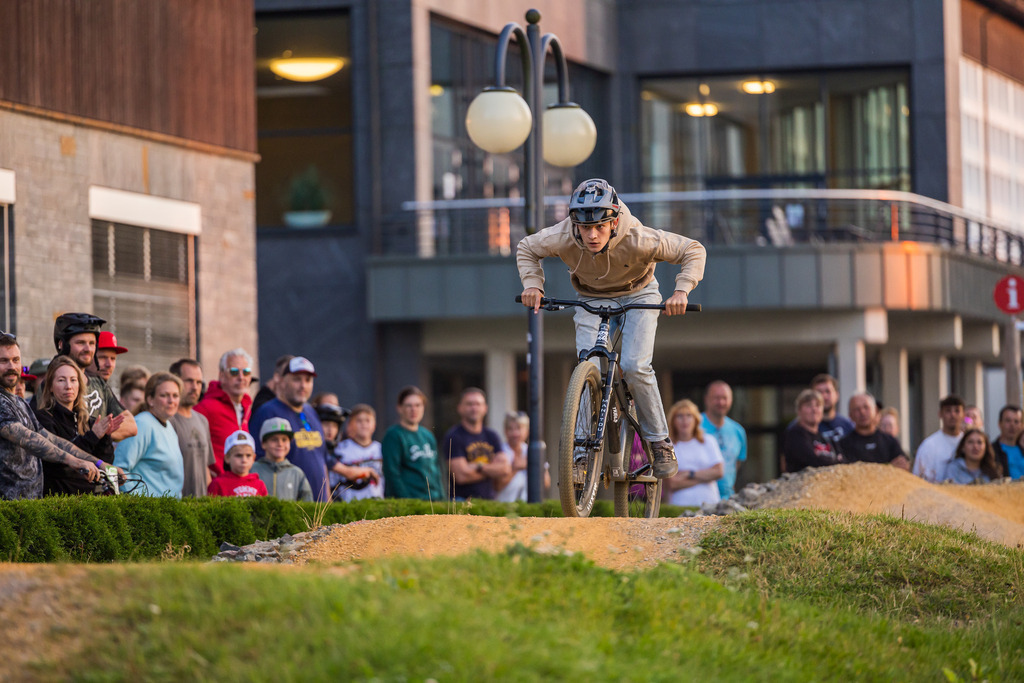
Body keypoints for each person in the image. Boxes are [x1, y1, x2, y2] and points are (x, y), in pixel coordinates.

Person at [517, 178, 706, 479]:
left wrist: (682, 290)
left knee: (634, 365)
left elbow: (692, 250)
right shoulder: (562, 235)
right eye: (584, 227)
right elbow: (527, 247)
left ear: (614, 221)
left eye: (600, 227)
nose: (592, 235)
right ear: (574, 223)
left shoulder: (639, 237)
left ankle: (659, 441)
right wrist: (532, 285)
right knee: (587, 364)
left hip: (639, 294)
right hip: (591, 297)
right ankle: (579, 455)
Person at [249, 356, 376, 502]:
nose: (303, 385)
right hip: (289, 507)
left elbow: (321, 459)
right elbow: (257, 462)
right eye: (297, 379)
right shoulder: (267, 412)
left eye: (308, 380)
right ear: (283, 382)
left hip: (317, 508)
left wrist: (327, 501)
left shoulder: (311, 412)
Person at [0, 333, 105, 500]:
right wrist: (74, 462)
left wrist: (100, 464)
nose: (11, 366)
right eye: (3, 361)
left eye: (15, 360)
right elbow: (28, 438)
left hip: (30, 507)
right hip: (7, 508)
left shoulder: (20, 403)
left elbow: (51, 439)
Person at [33, 355, 124, 495]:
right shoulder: (43, 418)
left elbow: (105, 461)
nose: (68, 386)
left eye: (73, 380)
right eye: (61, 380)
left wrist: (105, 437)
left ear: (79, 385)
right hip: (58, 500)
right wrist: (93, 436)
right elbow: (58, 463)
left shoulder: (88, 419)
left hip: (88, 499)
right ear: (50, 386)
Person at [50, 313, 136, 441]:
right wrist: (95, 434)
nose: (87, 349)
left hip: (100, 461)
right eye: (80, 343)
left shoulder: (99, 384)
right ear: (62, 344)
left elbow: (131, 426)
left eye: (92, 343)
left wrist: (99, 433)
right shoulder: (52, 383)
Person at [113, 372, 186, 497]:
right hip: (148, 510)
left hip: (169, 509)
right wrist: (142, 502)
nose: (171, 401)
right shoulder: (142, 424)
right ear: (150, 399)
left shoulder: (168, 425)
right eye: (164, 395)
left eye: (175, 395)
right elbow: (119, 469)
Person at [194, 348, 255, 477]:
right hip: (216, 488)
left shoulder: (246, 407)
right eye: (234, 372)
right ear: (222, 376)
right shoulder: (205, 407)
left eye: (246, 372)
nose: (241, 377)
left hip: (239, 486)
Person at [442, 387, 510, 500]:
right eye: (469, 404)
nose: (474, 408)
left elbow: (504, 469)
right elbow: (461, 476)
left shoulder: (491, 435)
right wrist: (492, 470)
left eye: (478, 404)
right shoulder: (453, 436)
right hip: (461, 502)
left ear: (485, 408)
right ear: (460, 408)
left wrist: (478, 466)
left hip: (489, 502)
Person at [381, 385, 445, 501]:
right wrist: (408, 503)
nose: (413, 409)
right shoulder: (393, 435)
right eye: (408, 405)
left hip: (433, 501)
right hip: (410, 504)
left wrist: (442, 499)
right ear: (399, 408)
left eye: (418, 405)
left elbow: (437, 471)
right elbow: (392, 474)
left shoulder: (428, 435)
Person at [665, 399, 724, 507]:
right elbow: (672, 483)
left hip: (710, 505)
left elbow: (719, 472)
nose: (684, 420)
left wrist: (689, 474)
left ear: (696, 419)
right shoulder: (668, 446)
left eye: (689, 415)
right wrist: (706, 476)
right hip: (679, 507)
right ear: (673, 420)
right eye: (680, 416)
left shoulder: (708, 441)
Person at [169, 359, 215, 498]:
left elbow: (205, 468)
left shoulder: (202, 421)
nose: (195, 387)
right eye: (189, 381)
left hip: (200, 507)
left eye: (199, 382)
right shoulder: (168, 421)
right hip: (177, 505)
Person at [700, 380, 747, 499]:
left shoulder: (738, 431)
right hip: (699, 499)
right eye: (716, 398)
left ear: (731, 400)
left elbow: (736, 464)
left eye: (725, 398)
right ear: (706, 399)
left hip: (727, 500)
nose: (721, 402)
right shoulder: (694, 426)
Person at [839, 393, 910, 471]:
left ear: (876, 410)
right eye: (857, 409)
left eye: (866, 407)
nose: (862, 412)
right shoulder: (843, 445)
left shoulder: (890, 441)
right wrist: (888, 468)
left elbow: (903, 466)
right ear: (850, 415)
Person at [781, 389, 844, 472]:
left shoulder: (825, 438)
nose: (814, 410)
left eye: (818, 405)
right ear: (799, 411)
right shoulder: (795, 434)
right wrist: (835, 461)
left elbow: (844, 461)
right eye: (808, 405)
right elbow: (812, 461)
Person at [331, 404, 384, 501]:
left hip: (377, 502)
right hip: (348, 503)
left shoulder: (381, 449)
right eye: (359, 420)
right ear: (350, 425)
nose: (364, 424)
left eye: (367, 420)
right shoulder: (341, 449)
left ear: (374, 425)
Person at [252, 417, 313, 501]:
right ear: (263, 444)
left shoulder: (297, 473)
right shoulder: (252, 470)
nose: (280, 444)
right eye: (274, 439)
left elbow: (307, 504)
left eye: (284, 440)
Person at [913, 395, 966, 483]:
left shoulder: (969, 443)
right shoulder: (929, 446)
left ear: (963, 414)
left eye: (957, 411)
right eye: (948, 411)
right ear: (940, 414)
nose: (952, 415)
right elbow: (918, 478)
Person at [207, 431, 268, 498]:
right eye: (238, 455)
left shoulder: (259, 485)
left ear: (253, 458)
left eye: (248, 455)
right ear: (227, 458)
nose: (244, 460)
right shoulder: (218, 484)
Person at [494, 411, 529, 502]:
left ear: (527, 431)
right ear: (505, 431)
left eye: (519, 428)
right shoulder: (499, 452)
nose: (515, 433)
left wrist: (531, 465)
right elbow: (497, 486)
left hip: (528, 507)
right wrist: (515, 468)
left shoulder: (532, 451)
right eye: (510, 429)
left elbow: (546, 482)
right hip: (504, 507)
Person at [992, 405, 1024, 480]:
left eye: (1016, 421)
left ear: (1022, 426)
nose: (1012, 425)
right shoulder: (991, 451)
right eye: (1008, 421)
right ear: (1000, 424)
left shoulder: (1022, 449)